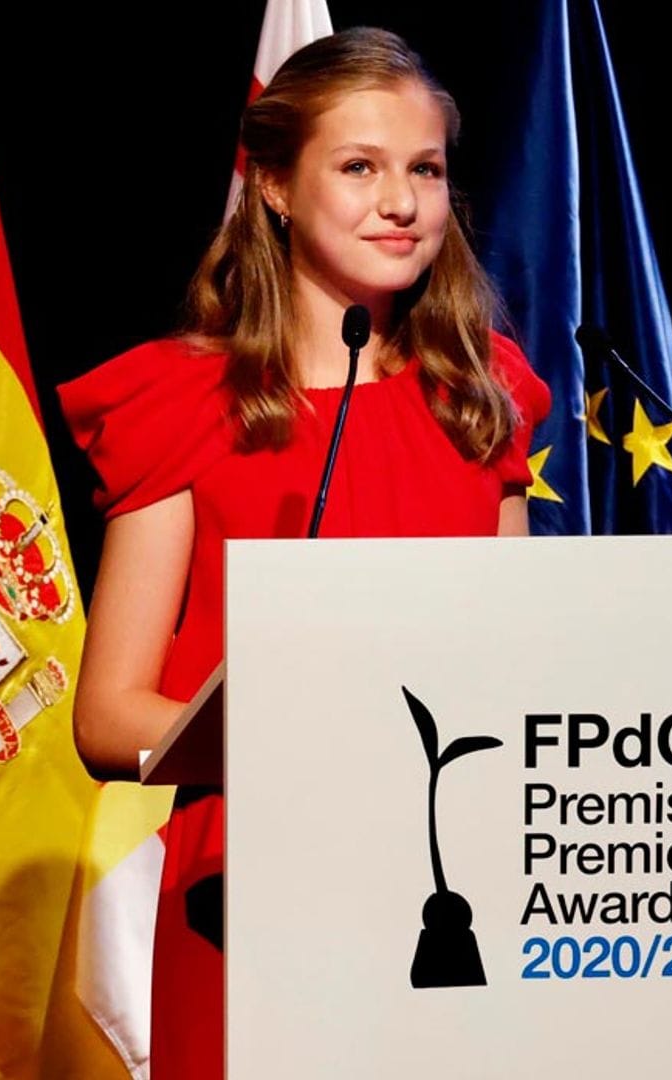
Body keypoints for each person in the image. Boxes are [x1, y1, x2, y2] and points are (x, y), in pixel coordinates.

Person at [57, 26, 551, 1078]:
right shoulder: (187, 404)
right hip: (253, 889)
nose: (402, 201)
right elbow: (108, 717)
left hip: (452, 881)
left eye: (424, 169)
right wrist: (305, 740)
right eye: (360, 167)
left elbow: (523, 667)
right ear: (275, 185)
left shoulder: (480, 397)